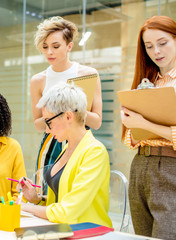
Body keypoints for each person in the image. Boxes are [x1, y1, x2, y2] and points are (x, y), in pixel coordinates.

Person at [17, 82, 112, 227]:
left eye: (49, 122)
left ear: (68, 116)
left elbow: (68, 212)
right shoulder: (67, 148)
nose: (47, 130)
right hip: (64, 230)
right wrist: (37, 199)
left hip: (88, 233)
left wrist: (26, 208)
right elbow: (63, 200)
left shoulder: (95, 152)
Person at [120, 16, 176, 239]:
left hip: (170, 168)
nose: (156, 51)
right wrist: (130, 121)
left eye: (162, 43)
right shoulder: (150, 80)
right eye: (149, 46)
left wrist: (144, 124)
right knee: (142, 236)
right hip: (140, 166)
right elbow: (130, 140)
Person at [30, 16, 103, 172]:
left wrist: (73, 108)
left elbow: (96, 122)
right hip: (52, 142)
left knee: (79, 189)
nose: (49, 52)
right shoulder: (38, 80)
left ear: (69, 46)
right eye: (45, 47)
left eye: (56, 46)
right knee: (47, 192)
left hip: (81, 141)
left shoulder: (88, 74)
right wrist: (58, 114)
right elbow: (37, 124)